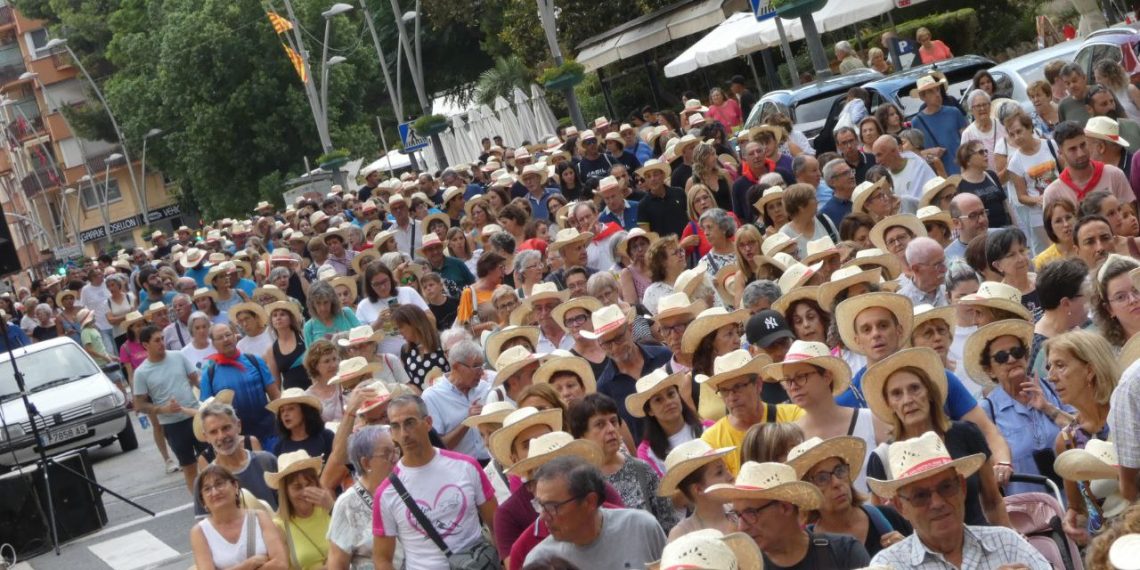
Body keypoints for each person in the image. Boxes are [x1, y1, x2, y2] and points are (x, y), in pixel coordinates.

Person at [862, 347, 1012, 527]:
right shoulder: (882, 458)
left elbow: (993, 502)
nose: (908, 400)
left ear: (930, 393)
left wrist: (1009, 543)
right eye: (896, 394)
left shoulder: (966, 434)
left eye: (914, 388)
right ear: (889, 403)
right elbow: (883, 527)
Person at [867, 432, 1051, 568]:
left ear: (962, 488)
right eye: (920, 496)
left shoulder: (1007, 543)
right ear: (900, 507)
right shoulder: (889, 565)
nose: (937, 502)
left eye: (946, 487)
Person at [372, 395, 499, 570]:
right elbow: (382, 558)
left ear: (428, 423)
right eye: (395, 426)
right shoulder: (386, 493)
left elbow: (496, 524)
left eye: (410, 423)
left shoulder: (466, 466)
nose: (404, 434)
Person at [761, 341, 886, 493]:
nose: (793, 386)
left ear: (827, 376)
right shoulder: (789, 439)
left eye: (801, 376)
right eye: (787, 380)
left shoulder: (872, 421)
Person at [967, 320, 1071, 496]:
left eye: (1017, 352)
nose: (1012, 359)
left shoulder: (1055, 387)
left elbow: (1084, 434)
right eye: (1001, 357)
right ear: (990, 370)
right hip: (1026, 513)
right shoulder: (987, 411)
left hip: (1073, 505)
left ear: (1026, 357)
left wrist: (1048, 408)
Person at [705, 460, 871, 568]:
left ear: (785, 507)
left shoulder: (844, 552)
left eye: (751, 513)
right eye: (737, 515)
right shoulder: (742, 565)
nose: (742, 526)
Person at [523, 455, 666, 568]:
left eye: (552, 506)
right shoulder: (542, 561)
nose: (543, 516)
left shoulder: (641, 528)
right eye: (540, 505)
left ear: (589, 502)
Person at [1045, 330, 1119, 543]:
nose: (1051, 377)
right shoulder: (1067, 441)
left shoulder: (1129, 415)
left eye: (1060, 365)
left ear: (1090, 370)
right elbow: (1077, 507)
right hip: (1111, 550)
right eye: (1049, 367)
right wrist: (1072, 518)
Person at [785, 436, 911, 558]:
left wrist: (908, 552)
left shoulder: (888, 517)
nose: (836, 483)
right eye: (822, 478)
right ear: (807, 492)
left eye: (840, 471)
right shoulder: (809, 549)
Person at [700, 349, 802, 475]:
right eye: (724, 391)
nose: (732, 397)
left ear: (758, 384)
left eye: (738, 387)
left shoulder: (794, 416)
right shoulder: (712, 440)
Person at [131, 325, 205, 493]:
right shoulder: (141, 372)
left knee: (210, 461)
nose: (162, 343)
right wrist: (163, 410)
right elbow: (139, 404)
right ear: (145, 345)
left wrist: (209, 402)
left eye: (163, 338)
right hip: (173, 426)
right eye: (156, 340)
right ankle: (199, 504)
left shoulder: (178, 356)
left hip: (195, 417)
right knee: (189, 468)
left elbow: (196, 381)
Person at [583, 305, 672, 442]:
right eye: (607, 344)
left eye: (619, 338)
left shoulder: (663, 356)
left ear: (630, 329)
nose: (615, 347)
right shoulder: (604, 387)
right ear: (599, 344)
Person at [189, 465, 288, 570]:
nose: (215, 492)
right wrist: (250, 564)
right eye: (207, 489)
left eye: (219, 484)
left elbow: (280, 564)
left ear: (235, 486)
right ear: (203, 500)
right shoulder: (200, 532)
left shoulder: (259, 517)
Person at [200, 323, 280, 450]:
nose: (226, 339)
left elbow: (275, 395)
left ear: (235, 336)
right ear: (213, 344)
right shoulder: (209, 373)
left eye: (228, 335)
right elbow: (207, 412)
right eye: (220, 337)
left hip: (268, 432)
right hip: (235, 440)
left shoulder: (255, 361)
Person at [196, 401, 280, 510]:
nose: (221, 436)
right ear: (206, 437)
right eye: (213, 432)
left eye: (226, 428)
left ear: (238, 426)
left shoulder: (267, 461)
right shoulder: (204, 481)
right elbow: (207, 524)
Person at [422, 340, 493, 461]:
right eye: (476, 366)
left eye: (482, 366)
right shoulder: (432, 396)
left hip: (491, 461)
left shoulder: (486, 388)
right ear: (456, 367)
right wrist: (467, 421)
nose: (481, 373)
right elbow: (440, 447)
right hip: (460, 469)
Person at [265, 450, 334, 569]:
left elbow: (357, 539)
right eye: (297, 487)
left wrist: (333, 508)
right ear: (285, 492)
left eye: (309, 484)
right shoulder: (279, 526)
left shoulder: (329, 509)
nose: (305, 492)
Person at [1043, 121, 1135, 208]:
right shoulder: (1053, 193)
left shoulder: (1114, 175)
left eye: (1083, 145)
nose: (1081, 153)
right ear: (1061, 153)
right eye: (1072, 149)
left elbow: (1131, 215)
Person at [910, 75, 968, 176]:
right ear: (923, 97)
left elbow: (968, 141)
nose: (937, 94)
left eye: (937, 89)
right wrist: (931, 153)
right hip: (939, 176)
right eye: (931, 92)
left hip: (963, 170)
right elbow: (915, 155)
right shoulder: (917, 122)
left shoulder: (954, 112)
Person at [871, 135, 936, 212]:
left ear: (894, 151)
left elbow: (933, 194)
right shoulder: (883, 177)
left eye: (879, 155)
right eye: (875, 156)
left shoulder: (917, 165)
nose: (877, 161)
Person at [393, 304, 449, 391]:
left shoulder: (443, 340)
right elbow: (410, 383)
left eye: (401, 327)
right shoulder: (405, 350)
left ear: (413, 323)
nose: (399, 332)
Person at [303, 280, 361, 346]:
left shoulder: (346, 313)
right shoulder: (309, 327)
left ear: (332, 301)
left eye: (326, 302)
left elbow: (363, 335)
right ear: (312, 304)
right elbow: (311, 355)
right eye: (318, 303)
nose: (323, 308)